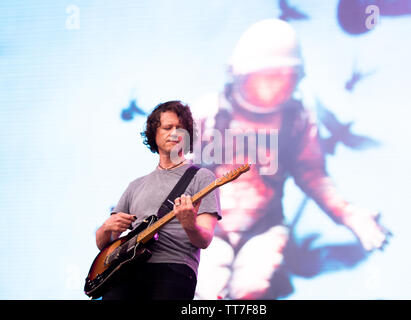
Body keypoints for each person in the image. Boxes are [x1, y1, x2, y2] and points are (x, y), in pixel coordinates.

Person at [191, 19, 389, 299]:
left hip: (264, 229)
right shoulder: (207, 113)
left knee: (253, 291)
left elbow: (313, 175)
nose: (275, 89)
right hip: (207, 226)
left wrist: (349, 214)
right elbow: (174, 177)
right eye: (269, 78)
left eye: (286, 79)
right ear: (240, 75)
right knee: (204, 293)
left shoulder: (296, 120)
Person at [95, 100, 221, 300]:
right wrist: (106, 228)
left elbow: (204, 239)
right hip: (125, 273)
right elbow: (104, 244)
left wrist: (190, 225)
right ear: (154, 133)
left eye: (180, 128)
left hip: (173, 270)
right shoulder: (135, 185)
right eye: (167, 127)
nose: (174, 133)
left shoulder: (201, 177)